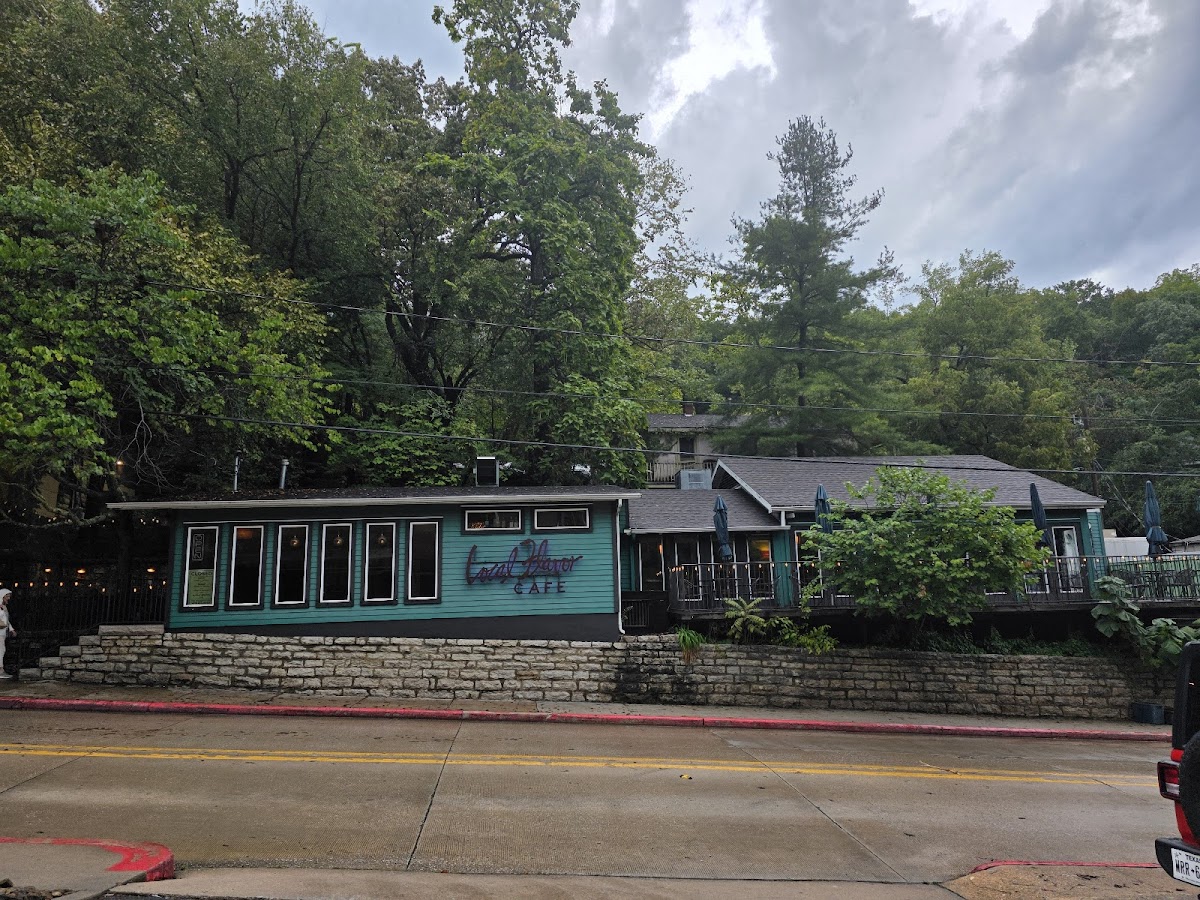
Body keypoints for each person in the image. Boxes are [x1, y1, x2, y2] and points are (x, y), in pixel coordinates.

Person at [0, 588, 15, 679]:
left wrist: (11, 629)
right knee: (0, 651)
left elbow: (6, 620)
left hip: (2, 633)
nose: (8, 598)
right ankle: (0, 670)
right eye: (7, 596)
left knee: (2, 650)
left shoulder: (3, 607)